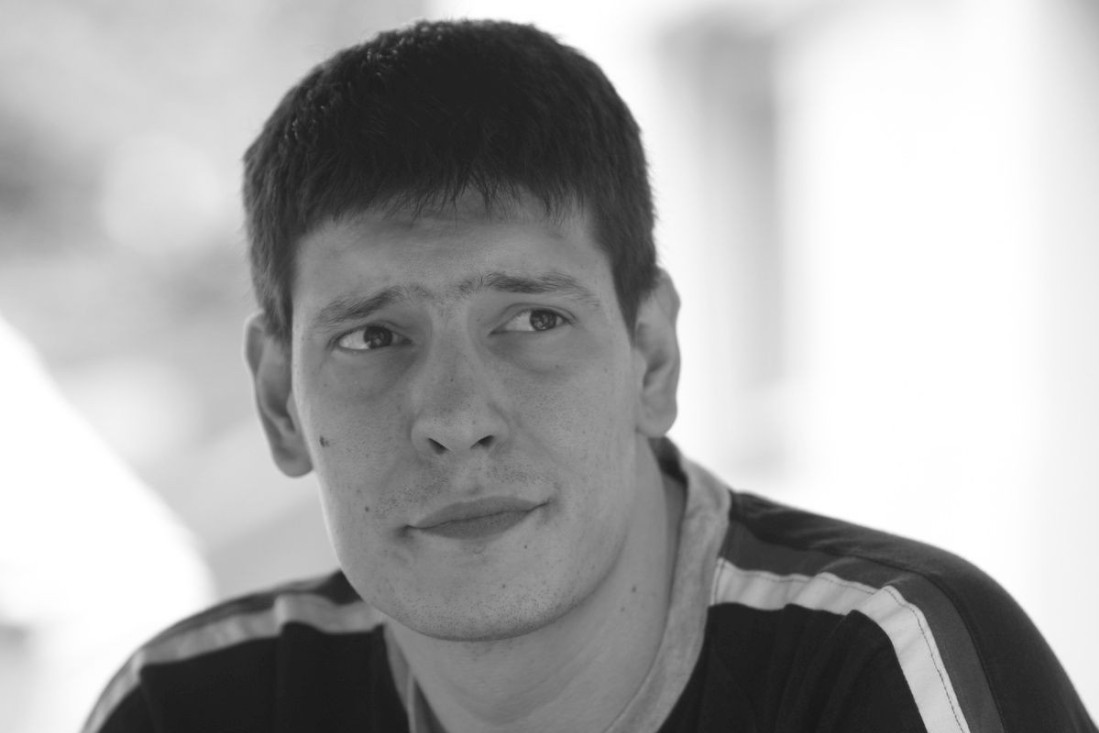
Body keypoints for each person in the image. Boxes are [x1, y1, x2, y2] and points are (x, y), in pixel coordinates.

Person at [82, 18, 1096, 733]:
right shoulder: (183, 708)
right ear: (277, 402)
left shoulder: (883, 667)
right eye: (372, 336)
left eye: (533, 320)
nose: (455, 418)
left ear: (651, 356)